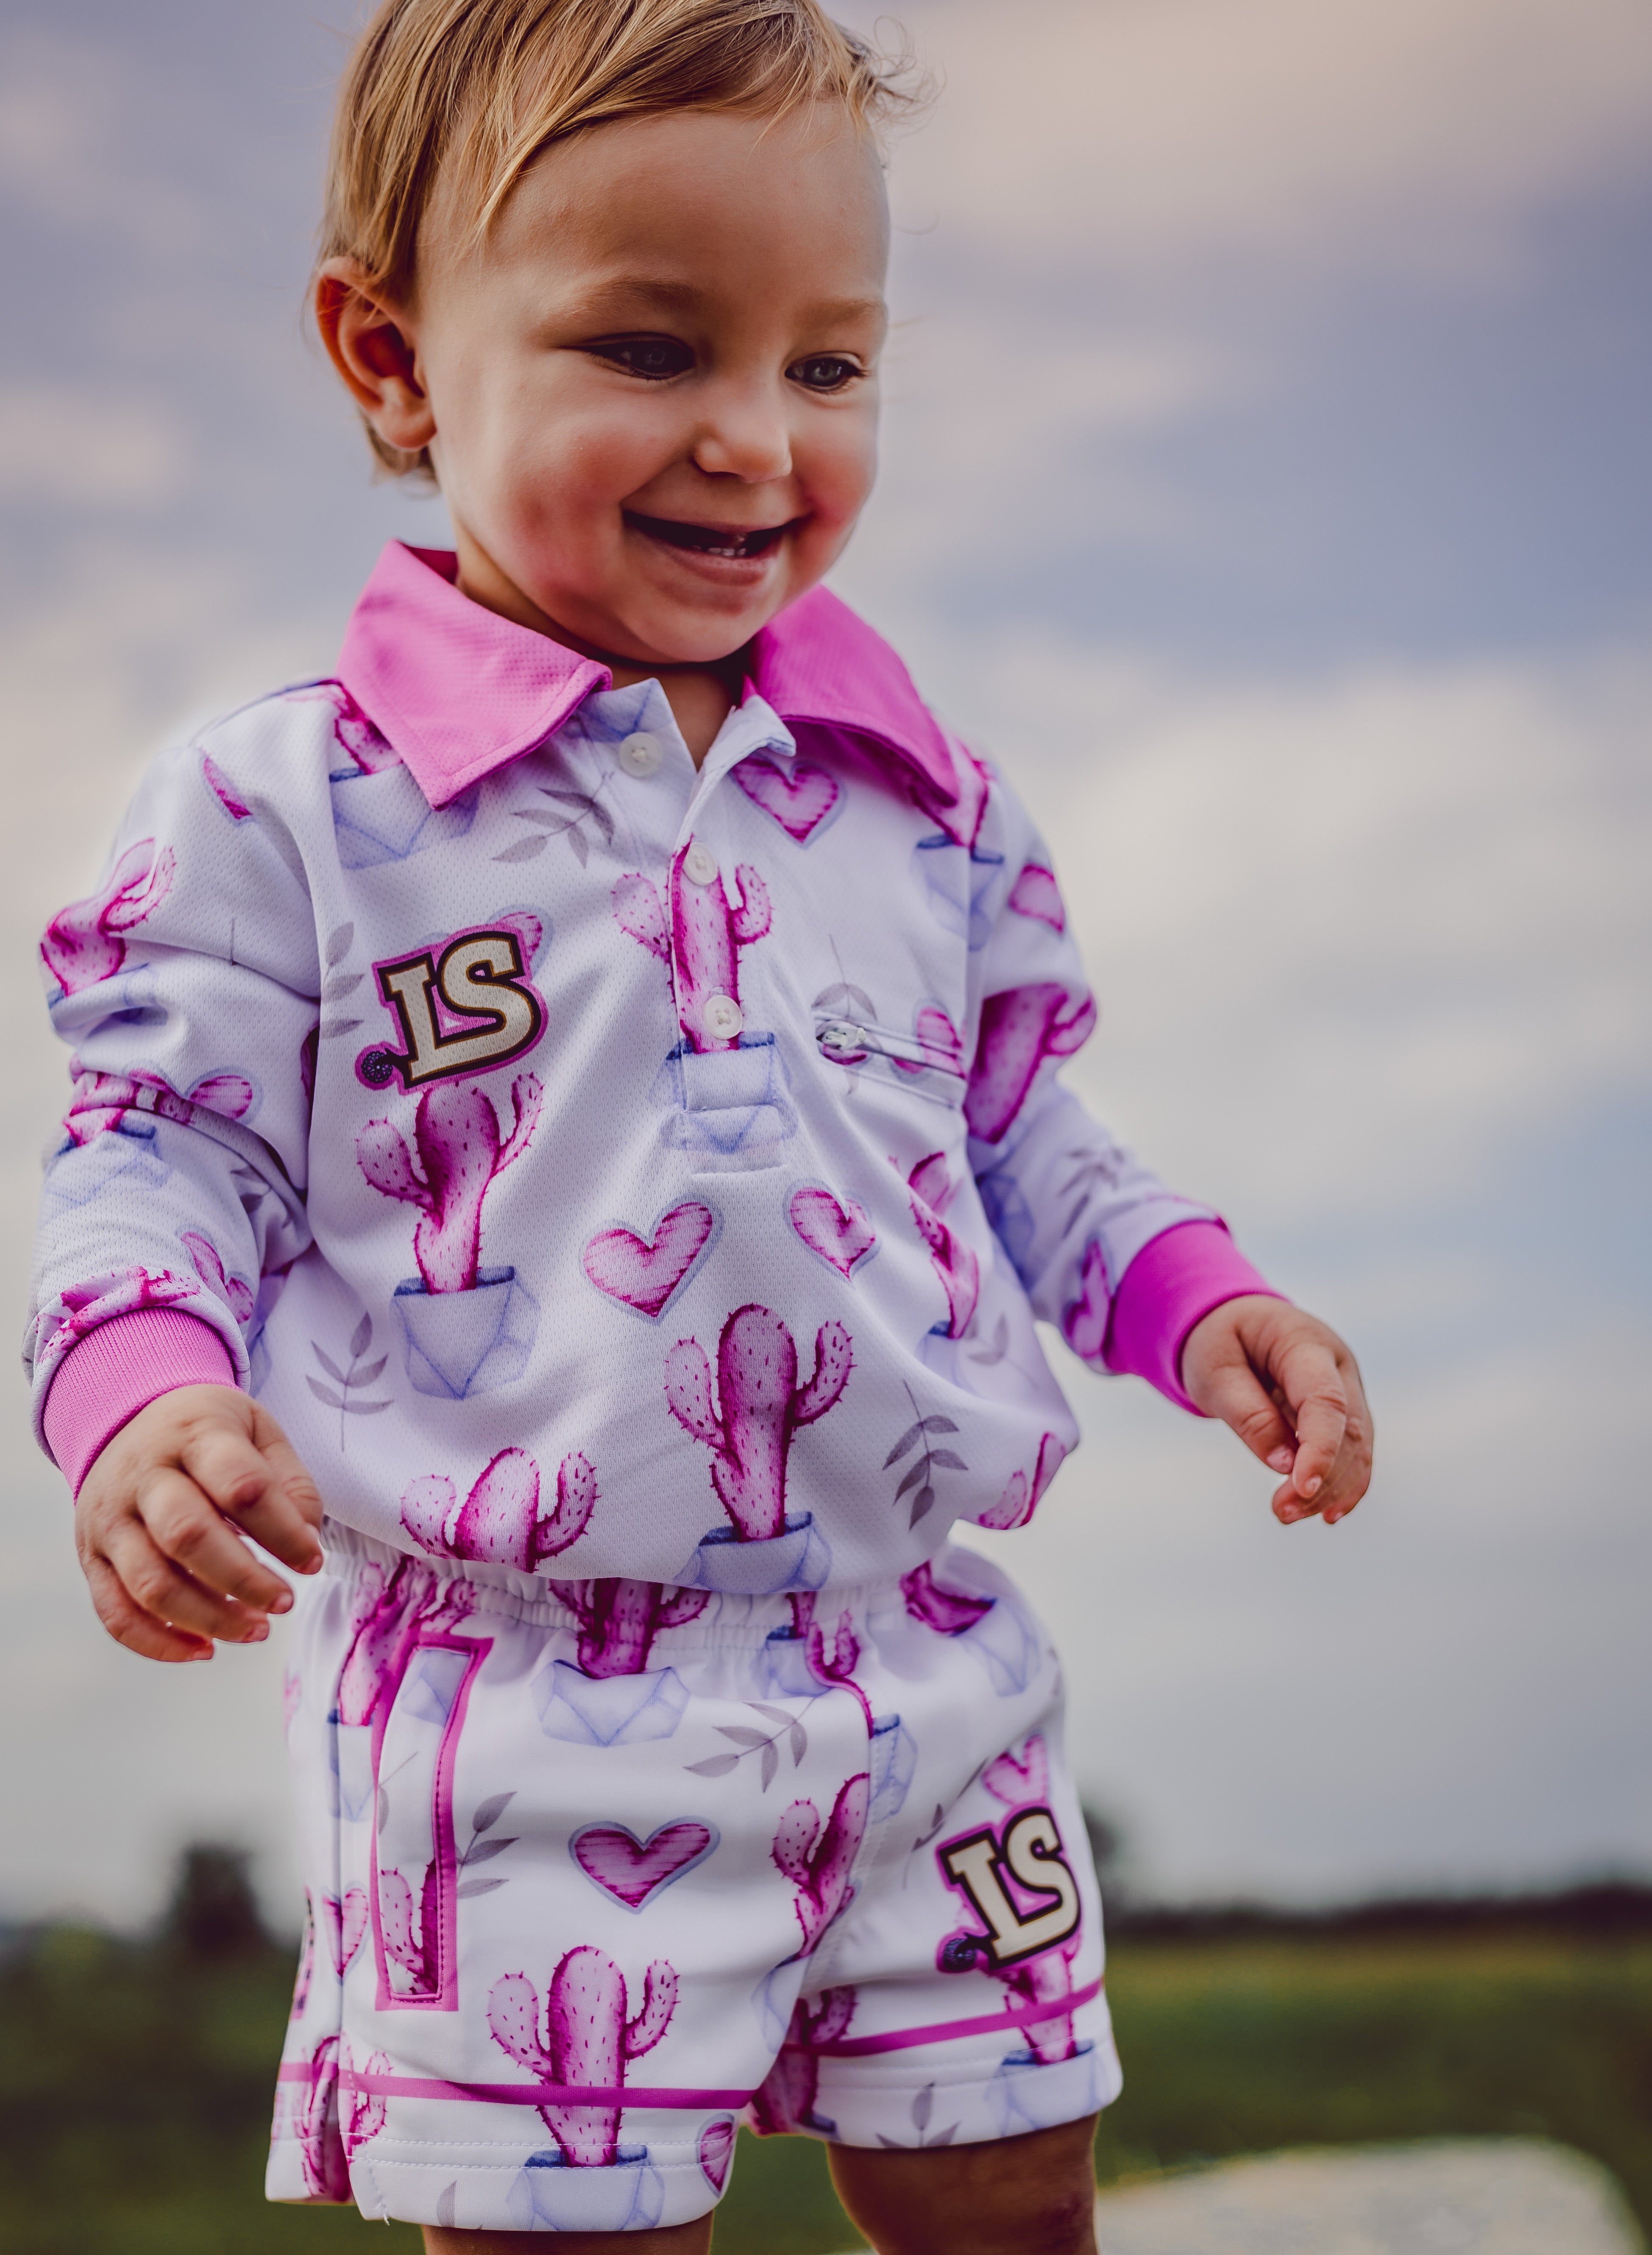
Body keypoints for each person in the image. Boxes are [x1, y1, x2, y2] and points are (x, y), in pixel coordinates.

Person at [25, 3, 1373, 2248]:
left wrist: (1192, 1296)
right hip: (517, 1705)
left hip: (924, 1663)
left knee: (1016, 2201)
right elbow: (155, 1148)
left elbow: (1027, 1120)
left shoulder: (921, 798)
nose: (756, 440)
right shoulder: (285, 807)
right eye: (650, 348)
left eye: (827, 366)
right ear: (390, 358)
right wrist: (144, 1400)